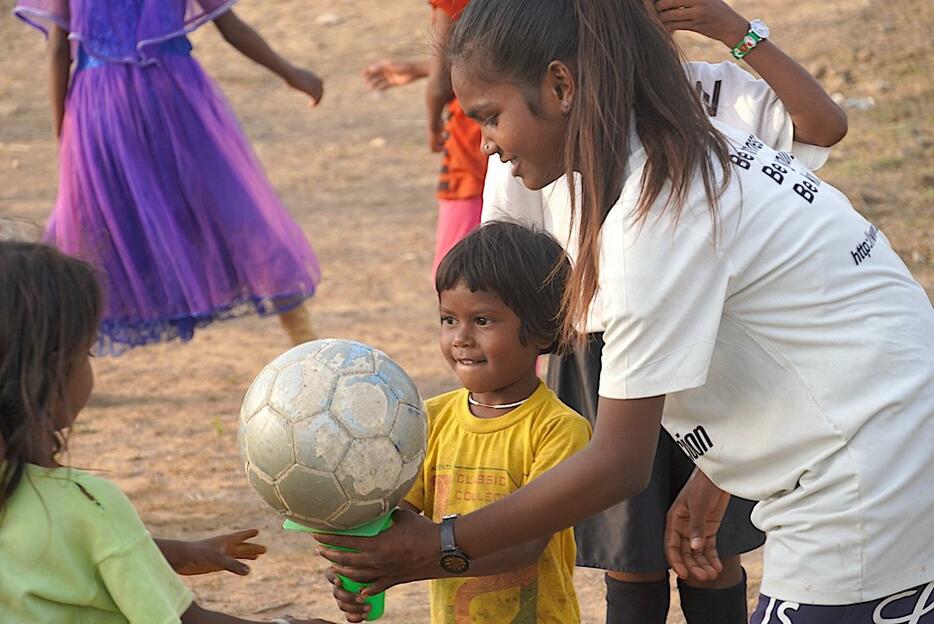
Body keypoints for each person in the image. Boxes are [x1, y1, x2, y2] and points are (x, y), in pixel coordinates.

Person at [314, 1, 934, 623]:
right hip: (885, 446)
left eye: (491, 117)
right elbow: (788, 335)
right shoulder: (680, 152)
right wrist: (721, 469)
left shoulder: (656, 210)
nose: (488, 145)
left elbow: (618, 463)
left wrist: (438, 549)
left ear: (560, 85)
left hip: (869, 480)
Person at [479, 0, 848, 621]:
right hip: (601, 347)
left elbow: (824, 125)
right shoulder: (546, 118)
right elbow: (509, 248)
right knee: (631, 552)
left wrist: (733, 30)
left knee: (709, 545)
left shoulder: (722, 90)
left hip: (716, 349)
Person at [0, 240, 334, 624]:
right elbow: (188, 620)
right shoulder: (87, 506)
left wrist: (164, 551)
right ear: (55, 375)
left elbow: (52, 550)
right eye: (87, 353)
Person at [13, 0, 323, 354]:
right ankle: (302, 336)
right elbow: (233, 28)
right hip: (173, 95)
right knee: (234, 206)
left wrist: (63, 133)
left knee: (87, 227)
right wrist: (292, 74)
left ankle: (51, 352)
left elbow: (57, 47)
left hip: (98, 102)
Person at [326, 222, 591, 623]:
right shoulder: (431, 419)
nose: (461, 338)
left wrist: (413, 564)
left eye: (483, 321)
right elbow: (399, 514)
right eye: (449, 319)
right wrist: (363, 566)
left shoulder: (557, 429)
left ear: (540, 328)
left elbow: (524, 545)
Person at [363, 0, 486, 278]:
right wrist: (418, 68)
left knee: (456, 269)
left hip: (470, 138)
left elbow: (442, 80)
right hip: (514, 126)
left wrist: (433, 126)